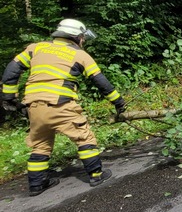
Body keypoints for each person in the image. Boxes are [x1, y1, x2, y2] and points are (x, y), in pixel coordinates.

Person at [1, 19, 126, 196]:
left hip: (34, 107)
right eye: (82, 38)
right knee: (84, 137)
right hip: (61, 105)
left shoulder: (35, 48)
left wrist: (9, 98)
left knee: (40, 145)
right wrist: (118, 102)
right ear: (77, 37)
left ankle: (37, 185)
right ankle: (96, 175)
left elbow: (12, 71)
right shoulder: (80, 55)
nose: (83, 41)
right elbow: (100, 81)